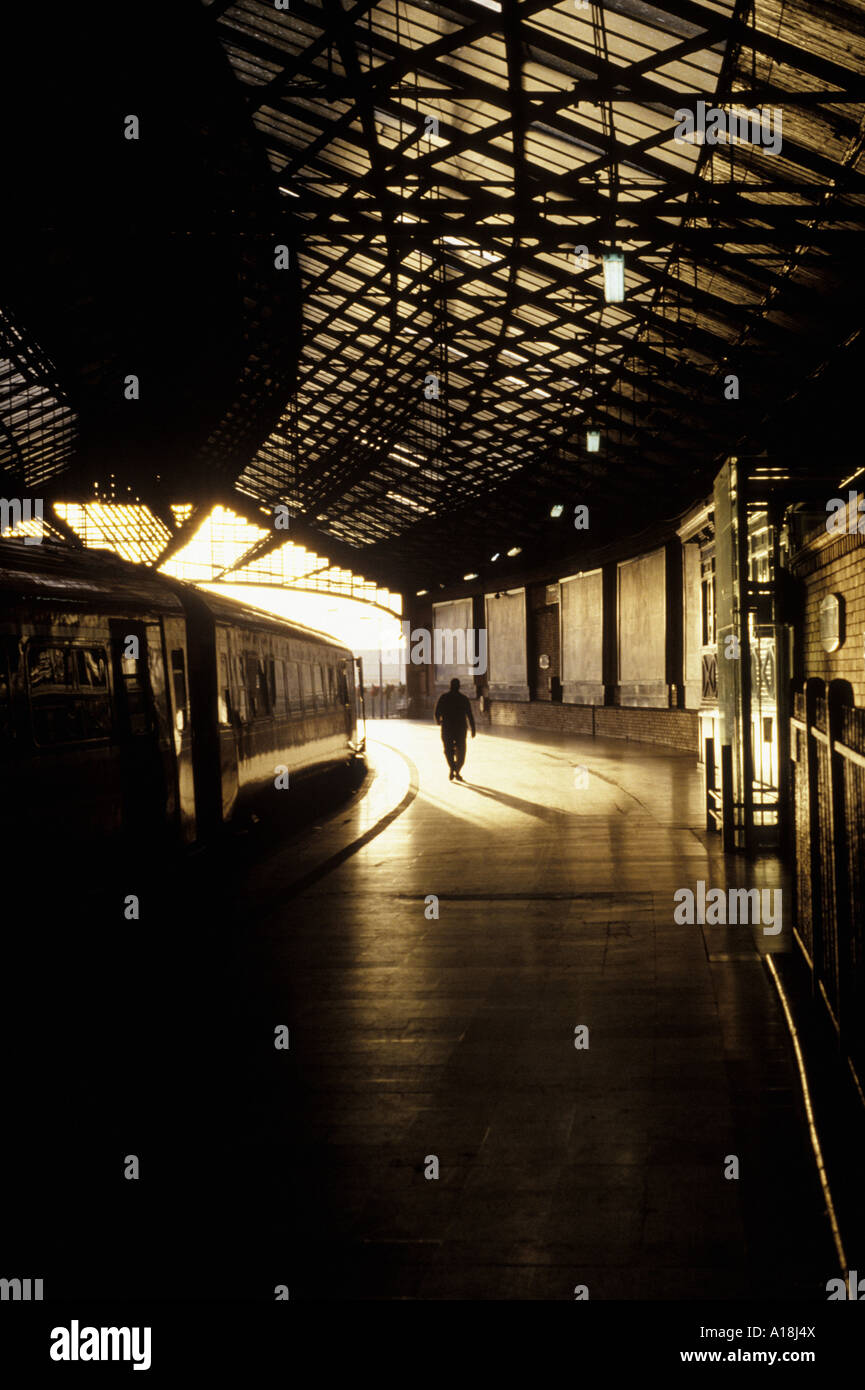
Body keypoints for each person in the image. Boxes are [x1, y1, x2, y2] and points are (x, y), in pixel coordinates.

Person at [434, 677, 476, 781]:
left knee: (448, 750)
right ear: (459, 686)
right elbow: (469, 715)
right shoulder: (463, 699)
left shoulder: (443, 697)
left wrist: (438, 721)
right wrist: (473, 728)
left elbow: (437, 712)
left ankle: (452, 768)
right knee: (461, 751)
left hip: (447, 728)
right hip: (460, 729)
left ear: (450, 686)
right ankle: (456, 770)